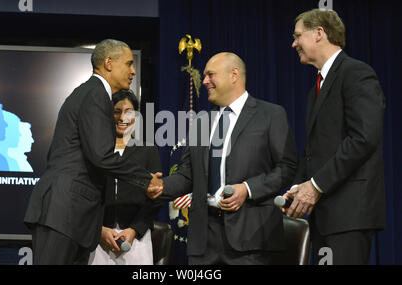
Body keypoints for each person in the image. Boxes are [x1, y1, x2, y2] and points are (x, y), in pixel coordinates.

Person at [24, 39, 162, 265]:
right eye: (128, 64)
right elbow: (101, 156)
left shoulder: (90, 93)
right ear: (108, 63)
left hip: (69, 213)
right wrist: (145, 180)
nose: (133, 70)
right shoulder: (96, 94)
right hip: (64, 212)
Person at [157, 52, 298, 265]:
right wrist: (160, 186)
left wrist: (248, 189)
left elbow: (287, 167)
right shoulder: (202, 122)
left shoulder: (270, 115)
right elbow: (187, 174)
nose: (204, 81)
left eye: (210, 75)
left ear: (234, 75)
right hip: (202, 242)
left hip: (251, 240)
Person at [283, 9, 386, 265]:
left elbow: (363, 138)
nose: (293, 43)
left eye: (298, 36)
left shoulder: (356, 73)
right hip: (325, 214)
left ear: (319, 33)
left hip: (349, 215)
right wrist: (299, 187)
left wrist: (315, 185)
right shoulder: (317, 88)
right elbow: (316, 149)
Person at [90, 90, 161, 265]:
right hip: (98, 238)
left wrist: (135, 230)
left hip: (136, 239)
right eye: (116, 111)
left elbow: (157, 196)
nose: (123, 117)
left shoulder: (147, 150)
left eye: (128, 112)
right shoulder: (96, 151)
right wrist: (98, 230)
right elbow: (86, 193)